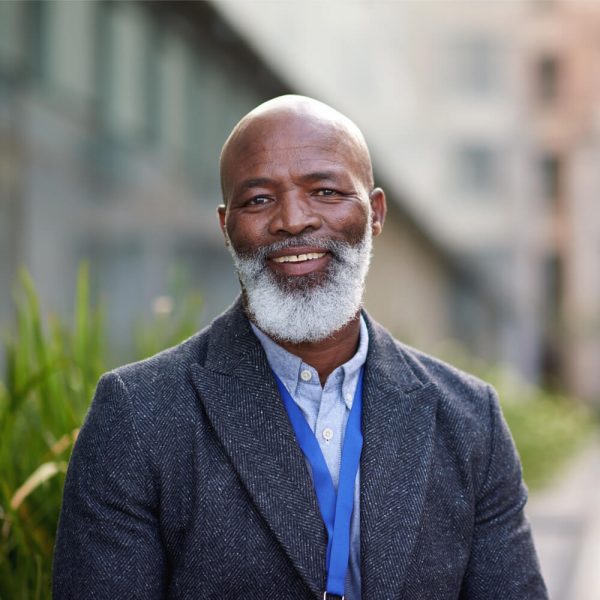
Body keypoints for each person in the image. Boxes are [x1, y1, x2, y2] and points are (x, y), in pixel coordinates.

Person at [53, 95, 548, 599]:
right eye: (259, 199)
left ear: (375, 213)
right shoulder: (138, 415)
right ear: (226, 228)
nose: (293, 220)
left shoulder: (469, 419)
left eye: (326, 191)